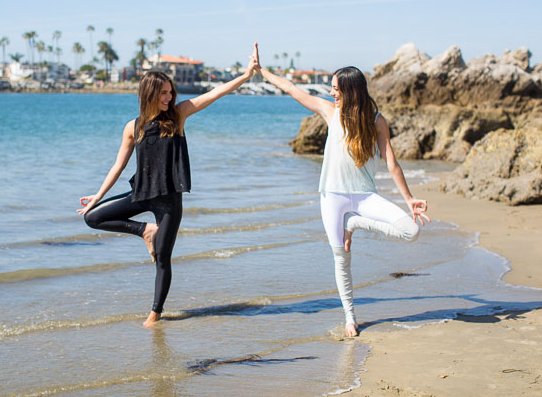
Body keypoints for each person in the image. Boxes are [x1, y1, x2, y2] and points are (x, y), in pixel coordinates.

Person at [77, 44, 259, 328]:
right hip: (142, 194)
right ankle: (145, 231)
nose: (169, 96)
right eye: (163, 93)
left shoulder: (178, 115)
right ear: (149, 94)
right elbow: (118, 166)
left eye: (170, 92)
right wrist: (97, 195)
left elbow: (215, 93)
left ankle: (155, 314)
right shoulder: (133, 127)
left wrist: (246, 75)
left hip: (169, 200)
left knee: (163, 258)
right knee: (93, 217)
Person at [254, 55, 430, 337]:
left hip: (364, 197)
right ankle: (350, 317)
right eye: (332, 88)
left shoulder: (376, 121)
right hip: (332, 197)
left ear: (351, 91)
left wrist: (408, 199)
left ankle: (355, 223)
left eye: (336, 88)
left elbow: (391, 162)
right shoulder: (329, 112)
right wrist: (263, 71)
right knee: (341, 258)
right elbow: (292, 89)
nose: (332, 93)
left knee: (411, 231)